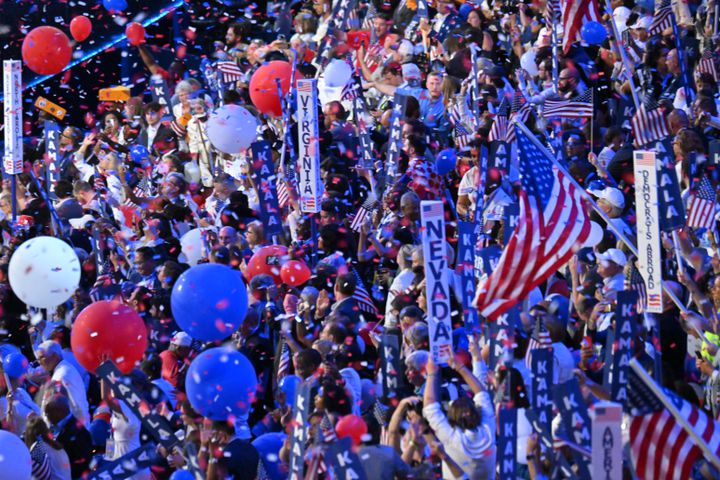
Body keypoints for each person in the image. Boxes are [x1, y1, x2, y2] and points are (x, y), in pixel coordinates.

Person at [36, 341, 90, 426]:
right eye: (38, 359)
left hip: (74, 429)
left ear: (54, 356)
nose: (39, 362)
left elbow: (75, 406)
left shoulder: (61, 376)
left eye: (42, 357)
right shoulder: (65, 368)